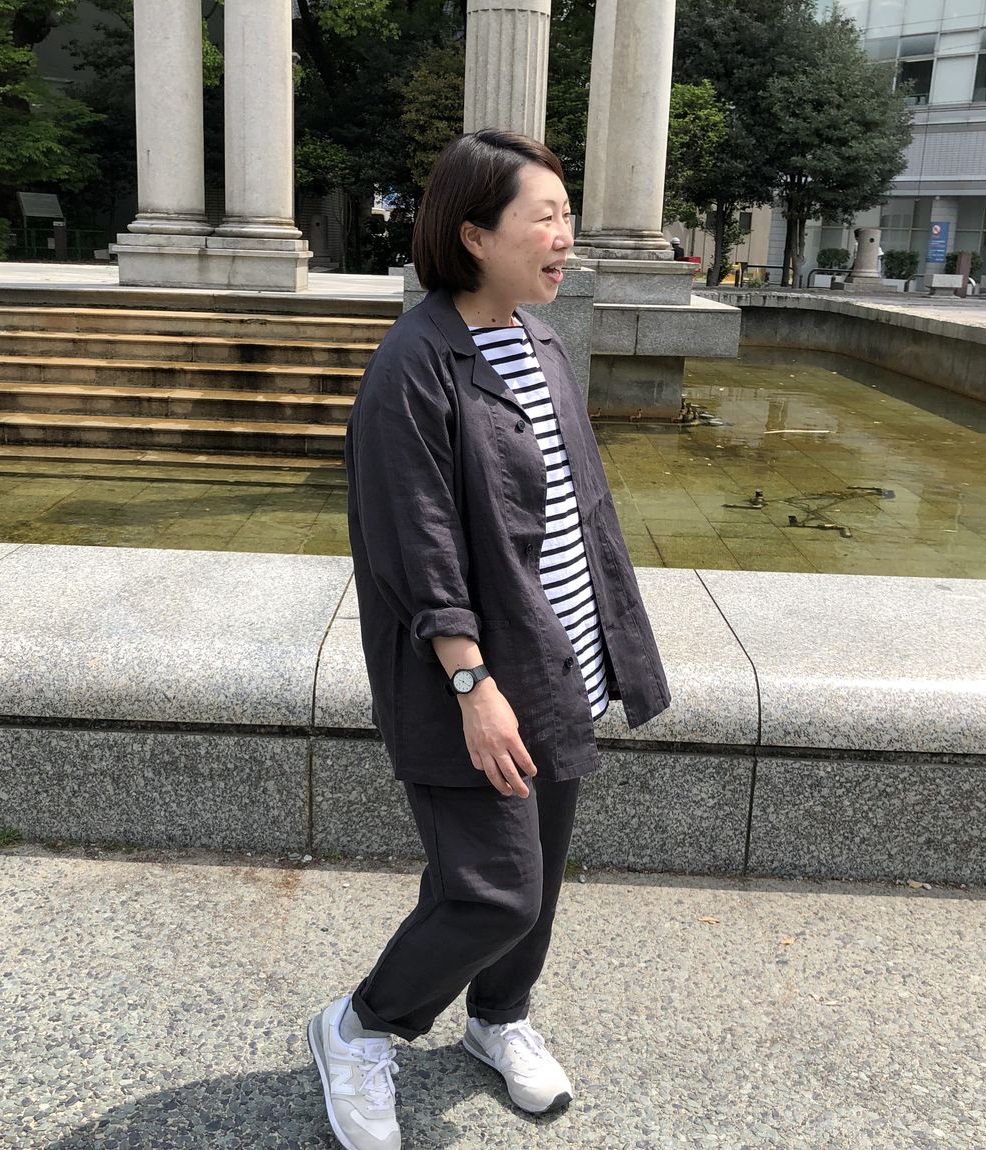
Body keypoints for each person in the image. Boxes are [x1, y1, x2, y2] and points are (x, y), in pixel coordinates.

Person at [308, 129, 671, 1150]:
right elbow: (415, 544)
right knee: (493, 890)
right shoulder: (413, 364)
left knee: (535, 879)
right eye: (543, 218)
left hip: (555, 659)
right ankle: (359, 1027)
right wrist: (472, 684)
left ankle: (498, 1017)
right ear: (473, 234)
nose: (565, 238)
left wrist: (609, 644)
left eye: (567, 216)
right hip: (467, 676)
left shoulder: (537, 340)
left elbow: (581, 511)